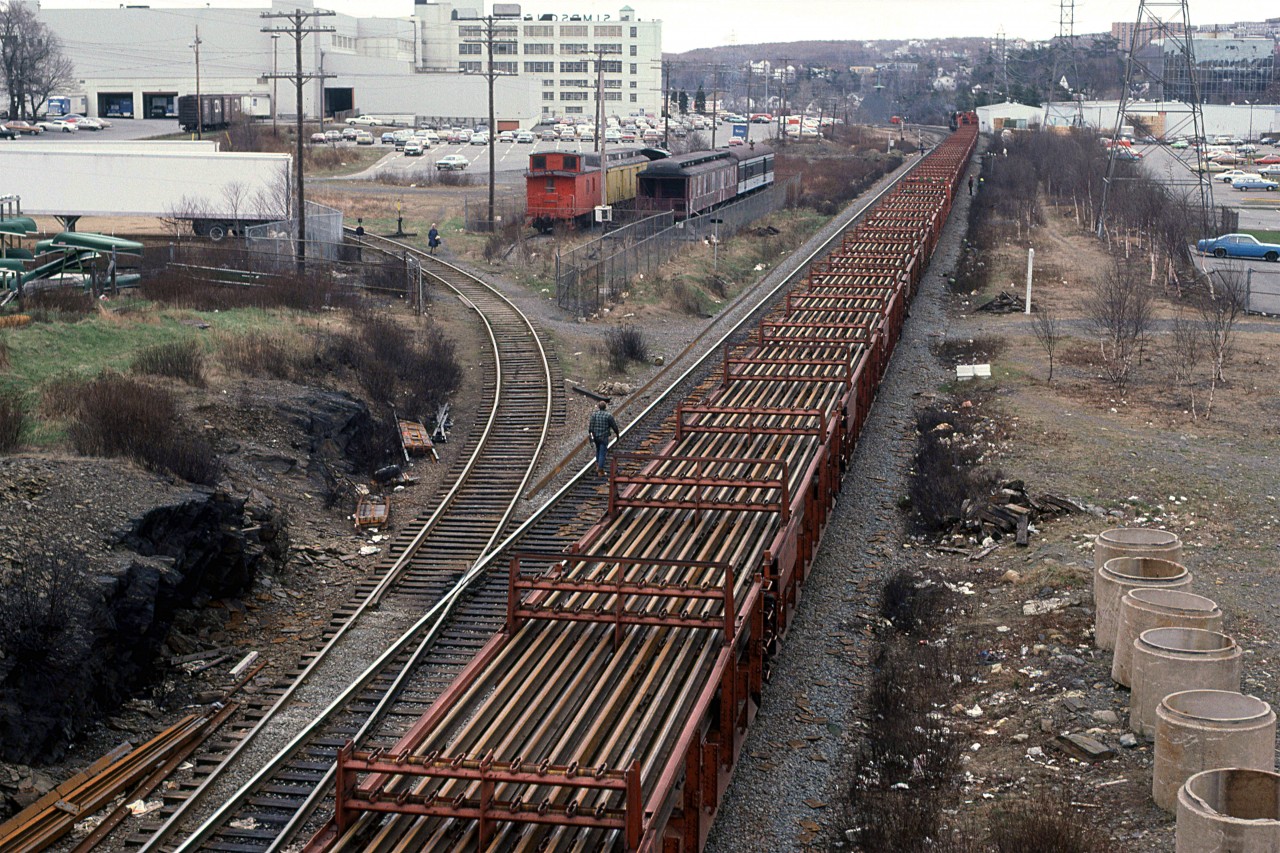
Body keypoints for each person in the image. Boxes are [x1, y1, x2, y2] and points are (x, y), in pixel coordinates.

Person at [588, 400, 620, 477]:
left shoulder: (594, 415)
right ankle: (600, 470)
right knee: (602, 453)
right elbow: (614, 426)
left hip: (596, 437)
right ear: (605, 407)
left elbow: (590, 428)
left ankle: (597, 465)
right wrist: (617, 434)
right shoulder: (608, 416)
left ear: (599, 407)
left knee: (598, 451)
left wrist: (591, 437)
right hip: (604, 437)